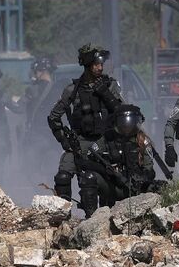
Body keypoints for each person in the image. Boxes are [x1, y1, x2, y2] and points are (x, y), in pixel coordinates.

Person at [47, 44, 124, 202]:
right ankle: (63, 218)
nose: (100, 68)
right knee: (63, 175)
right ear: (88, 66)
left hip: (106, 142)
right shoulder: (72, 90)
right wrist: (64, 140)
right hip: (80, 142)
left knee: (110, 180)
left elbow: (123, 113)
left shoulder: (110, 86)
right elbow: (54, 117)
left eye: (101, 64)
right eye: (96, 64)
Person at [75, 104, 157, 216]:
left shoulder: (143, 140)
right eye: (124, 123)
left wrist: (142, 179)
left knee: (159, 187)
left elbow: (150, 169)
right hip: (113, 187)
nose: (127, 127)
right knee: (89, 177)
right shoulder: (107, 139)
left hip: (136, 189)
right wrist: (105, 170)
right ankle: (92, 218)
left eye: (130, 123)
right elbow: (85, 160)